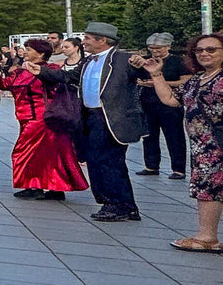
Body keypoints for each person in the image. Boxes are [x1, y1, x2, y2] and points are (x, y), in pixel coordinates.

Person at [37, 22, 149, 222]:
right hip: (90, 117)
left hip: (110, 118)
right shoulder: (88, 61)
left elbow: (145, 73)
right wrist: (40, 71)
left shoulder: (123, 59)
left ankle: (116, 204)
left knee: (107, 162)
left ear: (102, 40)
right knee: (98, 161)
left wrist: (144, 65)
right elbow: (68, 76)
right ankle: (123, 205)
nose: (83, 42)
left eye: (87, 38)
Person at [143, 33, 223, 252]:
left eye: (211, 50)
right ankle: (209, 236)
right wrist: (156, 75)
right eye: (199, 50)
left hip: (222, 143)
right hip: (202, 144)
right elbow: (171, 100)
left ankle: (206, 236)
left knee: (209, 188)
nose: (204, 54)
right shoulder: (197, 79)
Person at [0, 39, 87, 201]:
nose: (25, 52)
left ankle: (35, 186)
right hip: (27, 118)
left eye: (29, 49)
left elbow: (56, 81)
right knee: (49, 155)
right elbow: (5, 84)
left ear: (41, 53)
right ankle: (52, 188)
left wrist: (39, 71)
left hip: (43, 119)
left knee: (25, 152)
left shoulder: (50, 69)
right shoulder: (20, 72)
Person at [137, 33, 189, 181]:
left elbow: (185, 80)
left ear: (168, 46)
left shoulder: (177, 61)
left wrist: (160, 82)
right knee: (149, 135)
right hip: (148, 101)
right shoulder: (147, 61)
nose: (154, 51)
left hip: (170, 102)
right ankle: (151, 165)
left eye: (158, 48)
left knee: (174, 136)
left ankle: (178, 168)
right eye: (151, 48)